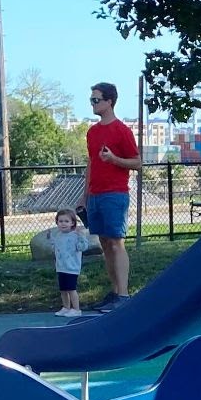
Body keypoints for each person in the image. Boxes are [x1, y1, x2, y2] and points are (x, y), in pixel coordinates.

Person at [84, 82, 141, 311]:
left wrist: (114, 159)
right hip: (96, 194)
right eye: (91, 100)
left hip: (115, 194)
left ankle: (124, 295)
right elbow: (90, 163)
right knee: (105, 243)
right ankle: (115, 291)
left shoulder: (121, 130)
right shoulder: (92, 132)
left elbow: (137, 163)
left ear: (109, 101)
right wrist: (84, 196)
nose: (93, 104)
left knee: (117, 242)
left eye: (96, 100)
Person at [49, 208, 93, 316]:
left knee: (71, 289)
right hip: (61, 267)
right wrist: (50, 239)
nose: (63, 224)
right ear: (57, 222)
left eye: (66, 221)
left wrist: (82, 237)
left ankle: (76, 309)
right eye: (60, 221)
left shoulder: (75, 236)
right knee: (63, 290)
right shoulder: (58, 235)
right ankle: (66, 307)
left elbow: (82, 247)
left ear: (72, 222)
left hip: (72, 268)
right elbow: (55, 247)